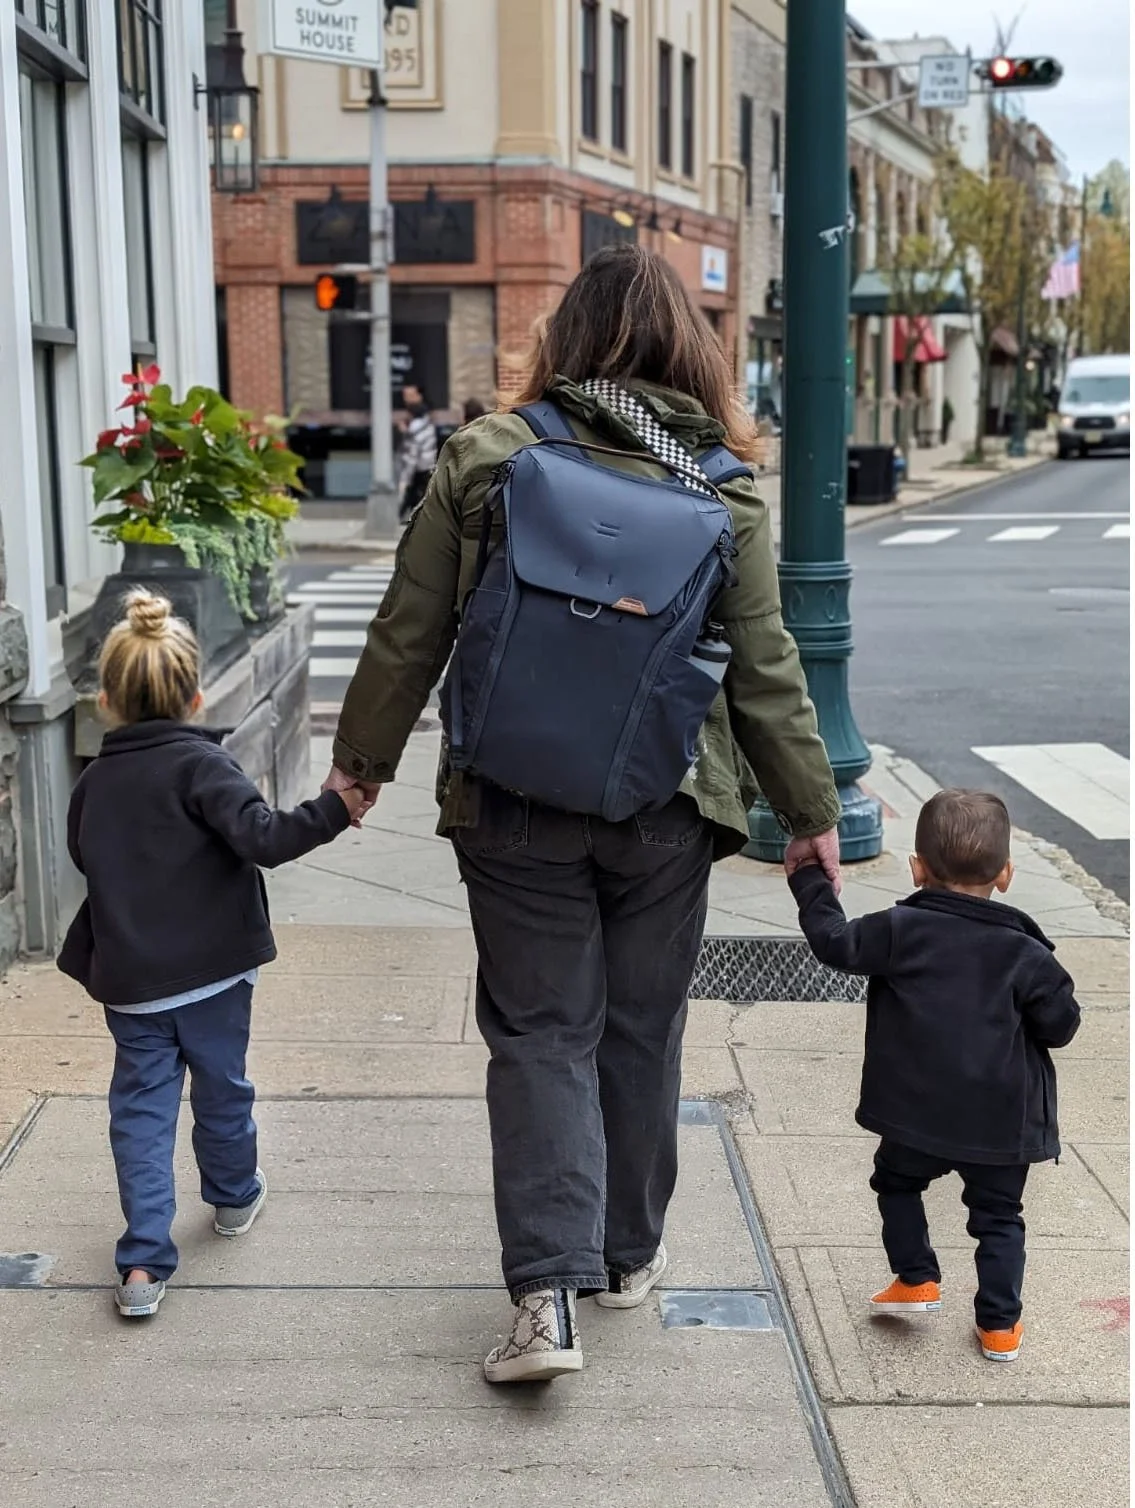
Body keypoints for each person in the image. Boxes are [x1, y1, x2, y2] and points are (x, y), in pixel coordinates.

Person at [325, 243, 841, 1382]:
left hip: (512, 797)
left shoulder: (488, 455)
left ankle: (543, 1297)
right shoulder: (722, 488)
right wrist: (810, 811)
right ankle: (626, 1252)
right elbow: (765, 668)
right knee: (642, 1028)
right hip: (666, 803)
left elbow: (409, 627)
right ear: (688, 355)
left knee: (540, 1032)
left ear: (565, 340)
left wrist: (359, 765)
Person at [58, 592, 367, 1320]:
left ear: (105, 701)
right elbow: (264, 838)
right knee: (221, 1086)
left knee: (140, 1109)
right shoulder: (204, 765)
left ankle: (140, 1264)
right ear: (196, 697)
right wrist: (334, 808)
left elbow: (83, 856)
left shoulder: (92, 783)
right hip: (214, 976)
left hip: (132, 982)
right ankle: (232, 1197)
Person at [787, 788, 1081, 1363]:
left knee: (896, 1183)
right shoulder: (1026, 955)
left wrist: (810, 883)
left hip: (914, 1114)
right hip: (1001, 1123)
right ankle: (999, 1327)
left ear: (918, 869)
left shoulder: (898, 929)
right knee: (998, 1217)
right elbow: (1061, 1025)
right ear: (1006, 875)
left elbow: (834, 942)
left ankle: (916, 1278)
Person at [397, 383, 438, 524]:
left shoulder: (419, 417)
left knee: (416, 490)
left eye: (409, 395)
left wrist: (406, 431)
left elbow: (414, 444)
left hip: (421, 462)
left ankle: (407, 515)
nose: (406, 399)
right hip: (425, 461)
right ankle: (408, 515)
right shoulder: (421, 417)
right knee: (417, 491)